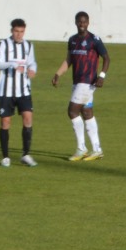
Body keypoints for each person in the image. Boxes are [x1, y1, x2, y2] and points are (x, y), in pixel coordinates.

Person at [51, 10, 109, 161]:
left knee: (72, 111)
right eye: (79, 21)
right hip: (77, 82)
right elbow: (69, 60)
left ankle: (81, 148)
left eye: (85, 22)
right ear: (76, 22)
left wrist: (102, 76)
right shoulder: (72, 40)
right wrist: (58, 74)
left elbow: (106, 58)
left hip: (87, 81)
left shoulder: (94, 40)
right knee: (87, 113)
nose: (82, 24)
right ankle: (97, 149)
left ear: (88, 23)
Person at [0, 17, 38, 168]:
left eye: (22, 31)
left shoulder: (28, 45)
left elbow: (32, 62)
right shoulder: (3, 44)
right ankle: (5, 157)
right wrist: (11, 64)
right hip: (6, 91)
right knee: (6, 122)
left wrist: (33, 69)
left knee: (28, 119)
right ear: (12, 30)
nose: (19, 34)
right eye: (16, 31)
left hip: (24, 89)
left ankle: (26, 154)